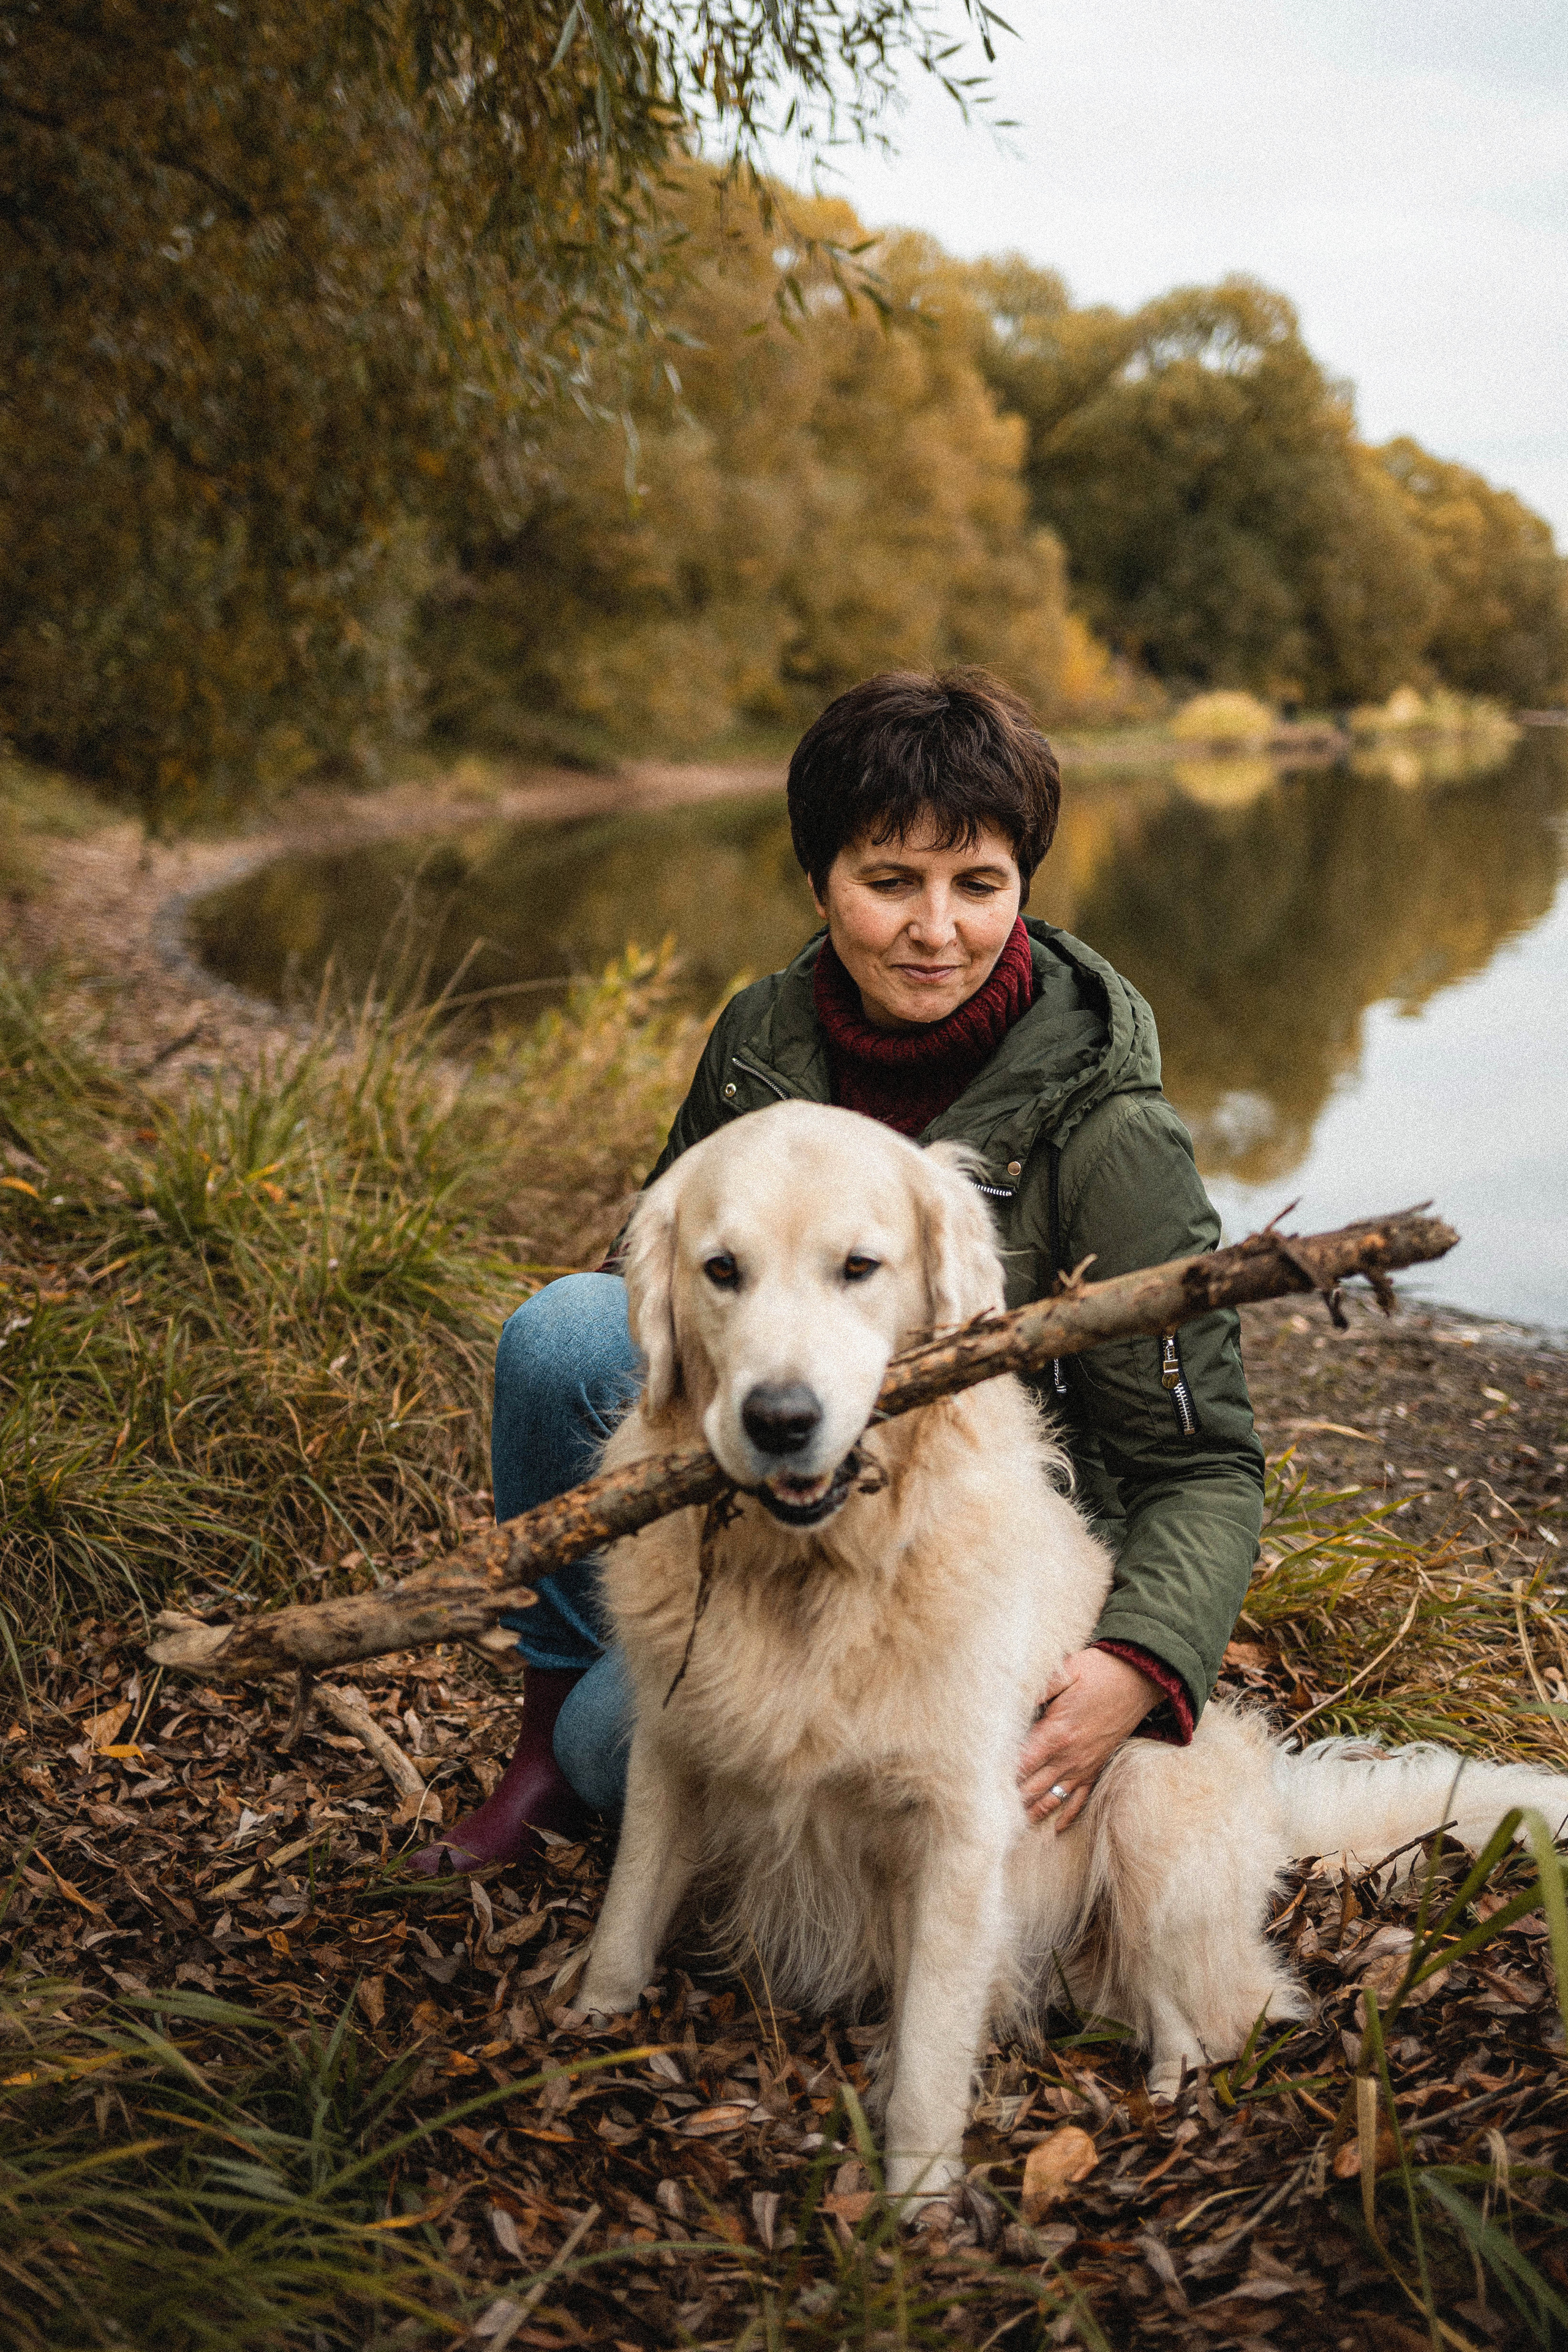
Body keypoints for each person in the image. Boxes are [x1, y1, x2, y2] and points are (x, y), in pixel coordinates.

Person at [413, 670, 1264, 1875]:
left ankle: (681, 1750)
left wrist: (1139, 1660)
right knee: (565, 1334)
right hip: (767, 1496)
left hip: (966, 1565)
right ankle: (546, 1746)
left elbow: (1203, 1461)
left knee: (644, 1741)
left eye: (978, 885)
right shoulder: (759, 1042)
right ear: (818, 883)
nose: (937, 929)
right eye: (888, 883)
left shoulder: (1107, 1129)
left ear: (1021, 884)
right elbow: (662, 1294)